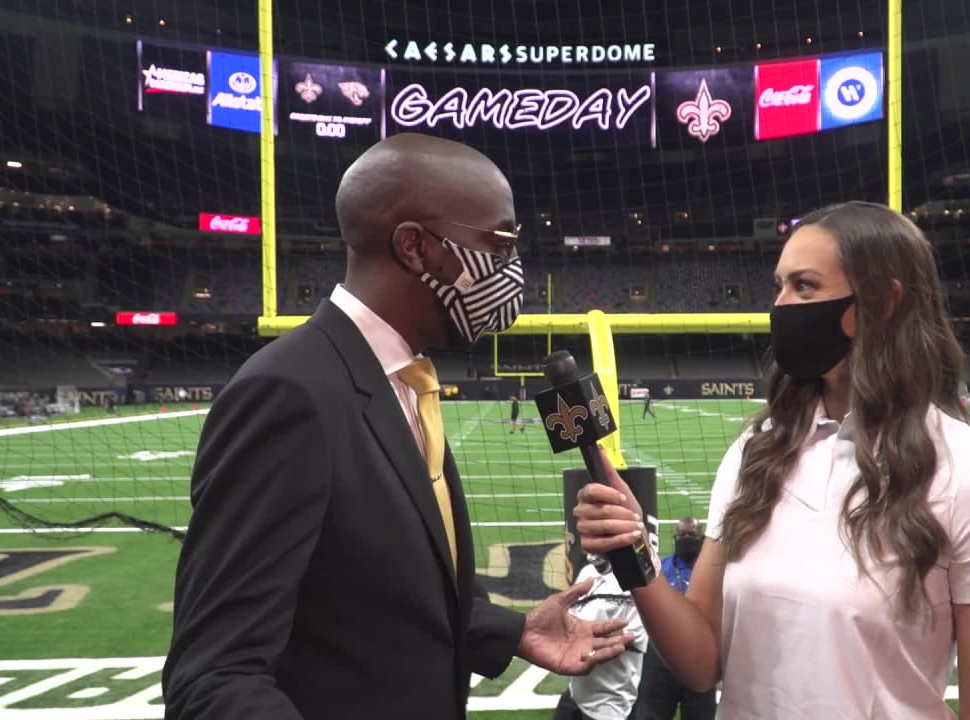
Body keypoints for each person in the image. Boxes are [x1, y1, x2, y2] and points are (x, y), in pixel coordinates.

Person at [163, 133, 633, 720]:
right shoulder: (289, 394)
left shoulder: (403, 378)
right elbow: (213, 678)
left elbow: (371, 588)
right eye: (499, 241)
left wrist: (510, 630)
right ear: (414, 246)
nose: (513, 267)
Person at [575, 201, 970, 718]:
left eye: (804, 286)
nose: (780, 304)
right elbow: (702, 661)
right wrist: (634, 552)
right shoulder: (755, 453)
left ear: (882, 302)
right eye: (779, 285)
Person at [633, 518, 716, 720]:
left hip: (699, 651)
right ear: (675, 538)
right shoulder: (661, 567)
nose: (686, 539)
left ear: (702, 538)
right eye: (682, 535)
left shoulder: (710, 571)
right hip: (661, 654)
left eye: (692, 535)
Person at [553, 554, 648, 720]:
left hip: (612, 703)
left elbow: (635, 636)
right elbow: (572, 619)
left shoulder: (634, 577)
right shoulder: (587, 573)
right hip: (576, 695)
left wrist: (587, 640)